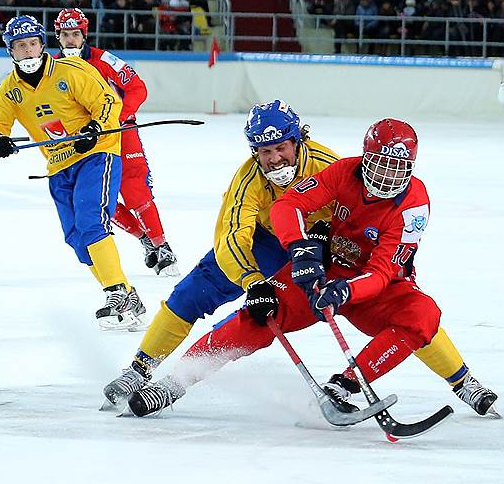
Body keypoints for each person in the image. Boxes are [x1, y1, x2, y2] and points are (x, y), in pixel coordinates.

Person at [125, 118, 498, 419]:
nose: (388, 177)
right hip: (324, 269)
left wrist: (347, 291)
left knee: (422, 316)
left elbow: (383, 272)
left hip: (373, 287)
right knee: (260, 312)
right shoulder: (342, 171)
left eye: (398, 168)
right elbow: (288, 207)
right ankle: (174, 382)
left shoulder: (413, 206)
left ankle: (354, 383)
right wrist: (300, 252)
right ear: (365, 158)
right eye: (381, 165)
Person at [101, 100, 340, 407]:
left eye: (281, 148)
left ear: (297, 140)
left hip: (322, 250)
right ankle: (139, 370)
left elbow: (356, 211)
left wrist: (330, 238)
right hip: (266, 241)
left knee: (249, 324)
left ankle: (179, 381)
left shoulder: (328, 165)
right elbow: (232, 235)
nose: (275, 160)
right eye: (266, 152)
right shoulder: (248, 178)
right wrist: (253, 281)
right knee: (191, 294)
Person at [0, 15, 146, 332]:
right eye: (19, 46)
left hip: (96, 155)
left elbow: (107, 102)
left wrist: (95, 128)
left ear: (43, 44)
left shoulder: (72, 72)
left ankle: (115, 296)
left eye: (31, 44)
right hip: (58, 167)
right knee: (76, 238)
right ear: (10, 51)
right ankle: (126, 293)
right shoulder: (10, 89)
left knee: (91, 221)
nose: (27, 52)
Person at [54, 8, 179, 277]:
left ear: (84, 34)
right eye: (65, 35)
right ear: (58, 37)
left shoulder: (105, 59)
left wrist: (117, 117)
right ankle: (145, 239)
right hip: (84, 141)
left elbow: (137, 87)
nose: (71, 40)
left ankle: (162, 244)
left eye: (76, 34)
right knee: (94, 199)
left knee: (135, 190)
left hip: (121, 133)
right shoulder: (52, 69)